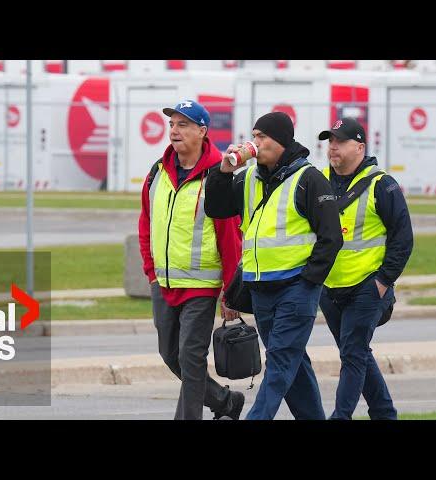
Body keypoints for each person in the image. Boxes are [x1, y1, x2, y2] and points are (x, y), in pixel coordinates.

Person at [204, 112, 343, 420]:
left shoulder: (308, 178)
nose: (256, 143)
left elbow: (331, 237)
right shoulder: (249, 177)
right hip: (261, 289)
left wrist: (309, 281)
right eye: (254, 136)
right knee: (294, 362)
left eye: (262, 137)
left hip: (296, 288)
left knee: (280, 362)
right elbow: (216, 207)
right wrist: (224, 171)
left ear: (281, 141)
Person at [138, 99, 245, 420]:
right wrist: (151, 272)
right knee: (170, 355)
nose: (174, 131)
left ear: (202, 131)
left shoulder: (218, 175)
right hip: (164, 282)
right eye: (172, 124)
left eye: (183, 125)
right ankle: (225, 402)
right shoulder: (157, 171)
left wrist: (231, 290)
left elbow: (230, 238)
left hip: (201, 286)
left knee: (191, 357)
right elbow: (146, 222)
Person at [317, 117, 414, 420]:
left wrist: (383, 282)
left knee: (353, 354)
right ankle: (385, 413)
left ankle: (340, 416)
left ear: (359, 147)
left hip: (367, 287)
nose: (333, 148)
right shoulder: (317, 180)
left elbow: (403, 238)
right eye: (330, 141)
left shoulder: (381, 184)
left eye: (340, 142)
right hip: (329, 288)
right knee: (355, 353)